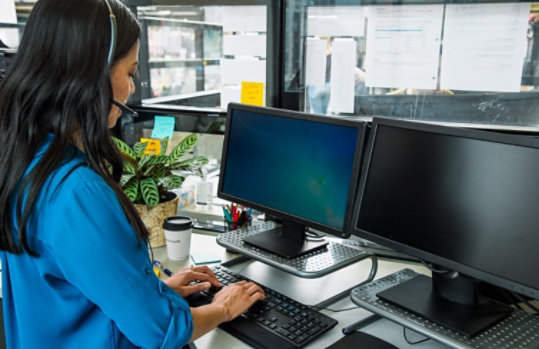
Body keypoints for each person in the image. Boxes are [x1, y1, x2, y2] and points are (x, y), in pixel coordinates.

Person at [0, 0, 265, 348]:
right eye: (129, 72)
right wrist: (224, 307)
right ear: (91, 76)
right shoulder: (78, 193)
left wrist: (150, 293)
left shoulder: (25, 159)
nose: (132, 88)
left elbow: (75, 286)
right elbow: (160, 333)